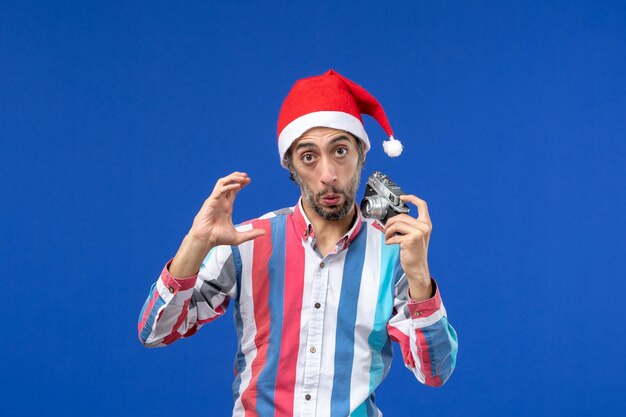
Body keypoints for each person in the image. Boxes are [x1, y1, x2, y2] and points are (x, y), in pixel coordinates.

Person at [138, 69, 458, 417]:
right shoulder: (247, 243)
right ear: (290, 164)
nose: (328, 175)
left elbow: (435, 373)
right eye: (309, 157)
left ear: (362, 154)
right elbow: (156, 331)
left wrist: (420, 279)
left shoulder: (394, 252)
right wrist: (196, 242)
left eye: (340, 151)